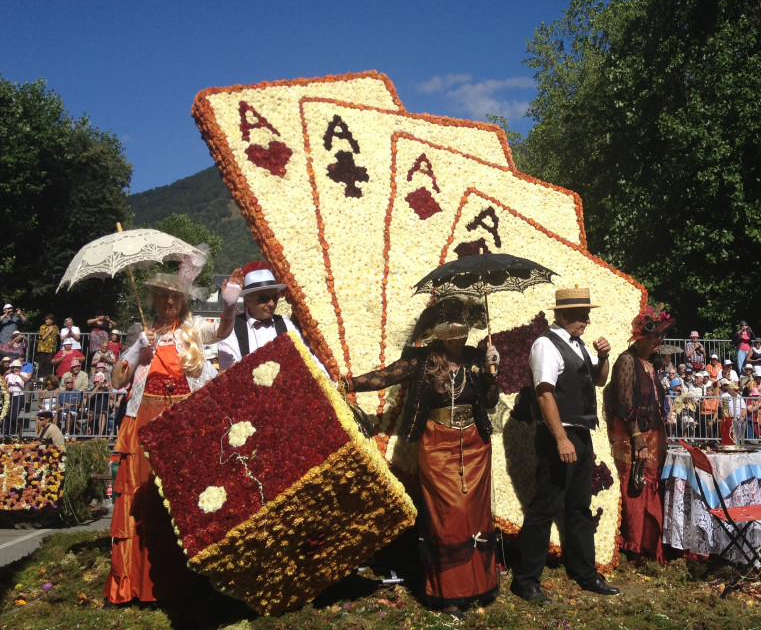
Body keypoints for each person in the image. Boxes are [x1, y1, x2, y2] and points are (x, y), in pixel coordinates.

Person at [339, 296, 500, 620]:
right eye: (452, 331)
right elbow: (386, 376)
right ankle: (450, 595)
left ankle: (478, 583)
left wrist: (492, 373)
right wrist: (349, 383)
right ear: (440, 332)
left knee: (473, 515)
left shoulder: (477, 358)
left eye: (463, 330)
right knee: (449, 515)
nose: (459, 337)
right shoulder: (423, 360)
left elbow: (491, 402)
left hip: (475, 445)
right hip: (437, 446)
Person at [104, 260, 240, 607]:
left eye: (174, 298)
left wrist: (229, 302)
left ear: (183, 301)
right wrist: (138, 349)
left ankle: (185, 583)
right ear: (154, 299)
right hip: (144, 425)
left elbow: (224, 331)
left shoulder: (193, 330)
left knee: (183, 500)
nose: (169, 303)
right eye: (163, 297)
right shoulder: (141, 332)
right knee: (144, 502)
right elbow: (116, 381)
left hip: (183, 426)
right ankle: (136, 586)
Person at [512, 287, 617, 605]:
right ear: (563, 314)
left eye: (587, 314)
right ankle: (526, 580)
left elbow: (599, 381)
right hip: (561, 436)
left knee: (579, 508)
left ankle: (585, 573)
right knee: (544, 508)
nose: (586, 319)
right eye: (581, 314)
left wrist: (603, 358)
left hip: (581, 435)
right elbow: (544, 394)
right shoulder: (546, 344)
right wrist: (560, 439)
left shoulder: (578, 344)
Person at [604, 305, 673, 564]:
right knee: (634, 485)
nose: (660, 342)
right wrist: (637, 438)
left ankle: (650, 544)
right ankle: (634, 547)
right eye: (656, 337)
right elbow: (624, 405)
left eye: (661, 337)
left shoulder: (650, 363)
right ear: (642, 337)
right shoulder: (626, 360)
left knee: (652, 486)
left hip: (653, 435)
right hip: (633, 435)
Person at [216, 261, 318, 371]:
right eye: (263, 299)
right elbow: (229, 371)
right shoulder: (233, 328)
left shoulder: (285, 323)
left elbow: (306, 358)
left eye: (274, 298)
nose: (271, 304)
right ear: (247, 300)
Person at [4, 359, 28, 438]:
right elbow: (2, 381)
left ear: (20, 367)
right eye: (14, 367)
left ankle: (13, 432)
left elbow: (27, 380)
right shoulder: (9, 375)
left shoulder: (23, 373)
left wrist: (19, 375)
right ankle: (5, 433)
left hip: (19, 395)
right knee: (7, 415)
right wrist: (5, 374)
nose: (16, 369)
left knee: (14, 415)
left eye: (17, 367)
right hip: (10, 395)